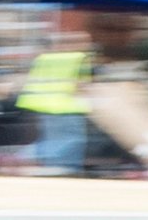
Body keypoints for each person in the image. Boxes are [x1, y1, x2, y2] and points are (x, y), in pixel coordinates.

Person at [16, 20, 94, 173]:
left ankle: (34, 164)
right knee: (70, 146)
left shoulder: (44, 59)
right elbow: (82, 87)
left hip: (42, 107)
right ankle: (61, 174)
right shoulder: (78, 58)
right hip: (69, 109)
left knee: (52, 144)